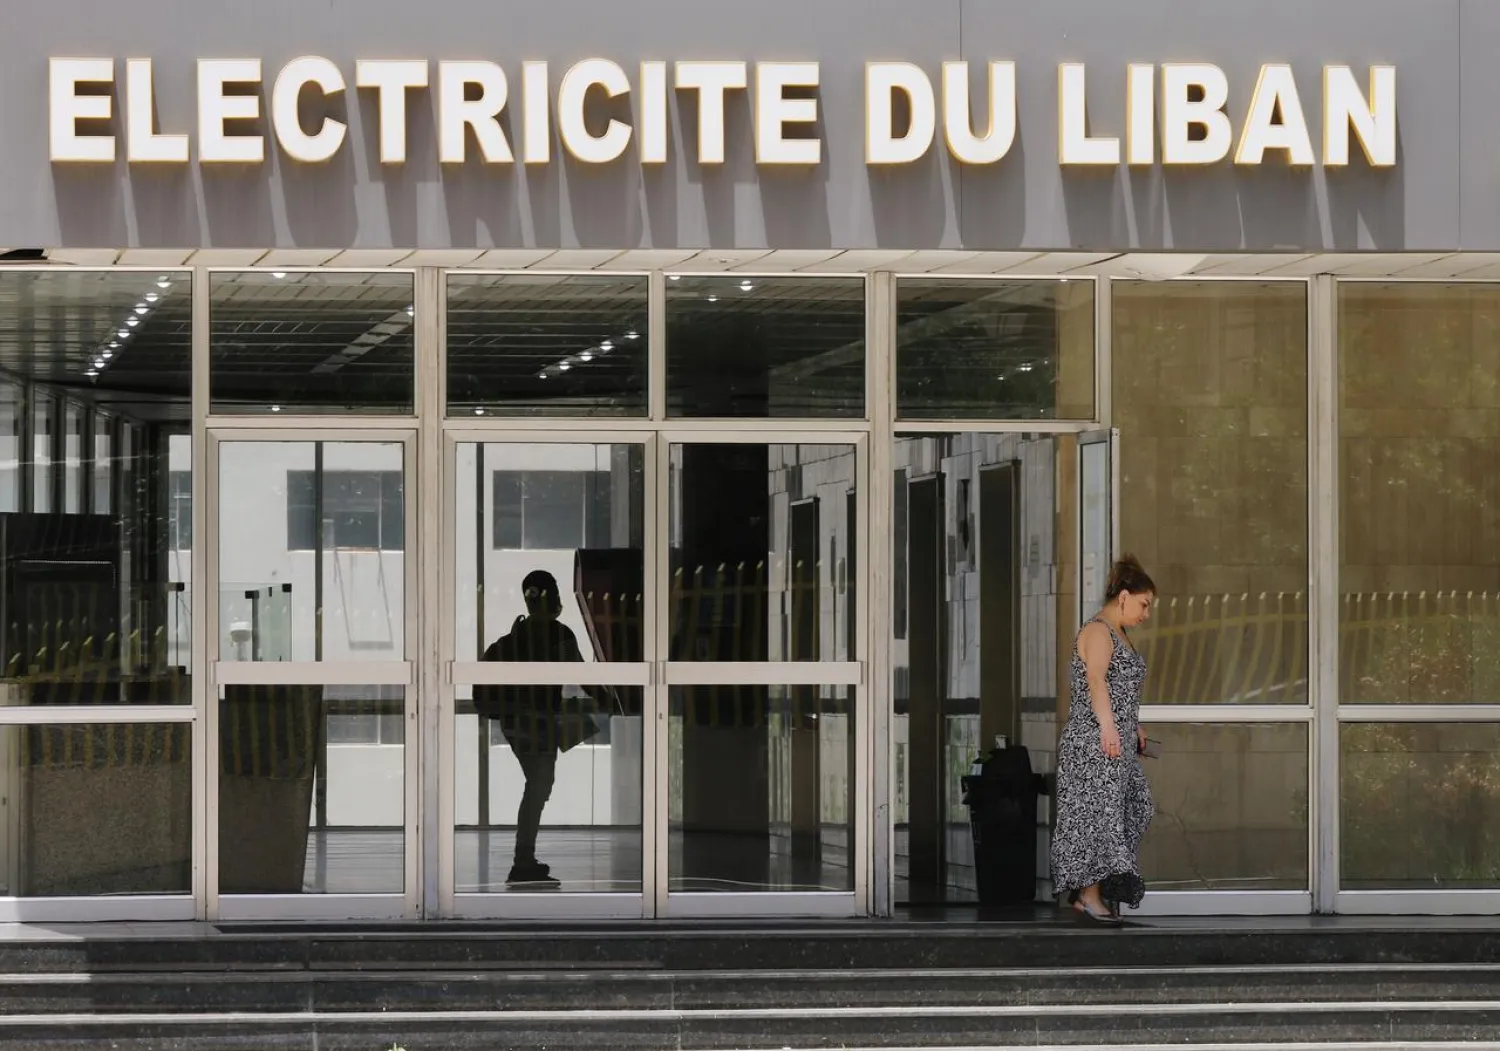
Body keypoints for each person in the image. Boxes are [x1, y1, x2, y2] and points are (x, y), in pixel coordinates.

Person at [1050, 554, 1157, 923]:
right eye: (1144, 605)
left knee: (1135, 807)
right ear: (1123, 596)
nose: (1146, 614)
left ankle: (1099, 888)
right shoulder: (1098, 631)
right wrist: (1110, 727)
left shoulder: (1121, 635)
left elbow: (1119, 689)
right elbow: (1095, 680)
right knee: (1100, 818)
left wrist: (1133, 727)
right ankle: (1089, 895)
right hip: (1094, 744)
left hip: (1115, 740)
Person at [474, 570, 597, 888]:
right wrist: (615, 698)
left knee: (538, 785)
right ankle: (522, 859)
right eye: (555, 595)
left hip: (517, 726)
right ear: (550, 598)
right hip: (539, 724)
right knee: (539, 785)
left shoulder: (512, 640)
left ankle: (524, 858)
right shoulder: (559, 635)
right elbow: (583, 676)